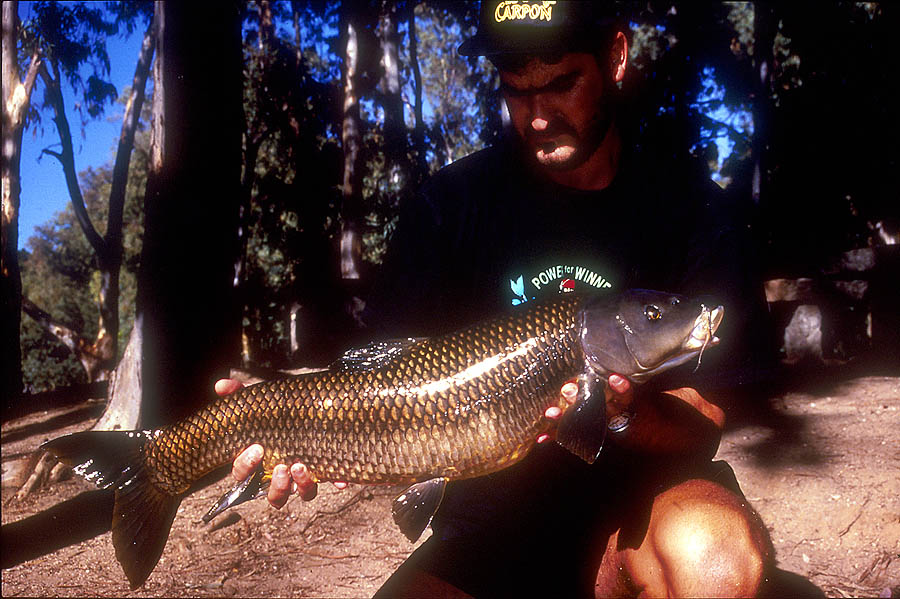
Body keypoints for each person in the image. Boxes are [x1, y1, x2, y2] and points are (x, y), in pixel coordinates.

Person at [223, 2, 775, 596]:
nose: (538, 117)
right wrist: (286, 423)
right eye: (517, 92)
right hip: (488, 529)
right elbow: (374, 378)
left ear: (615, 57)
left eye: (563, 83)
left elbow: (708, 420)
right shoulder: (447, 208)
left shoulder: (696, 212)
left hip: (641, 508)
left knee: (714, 562)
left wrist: (626, 412)